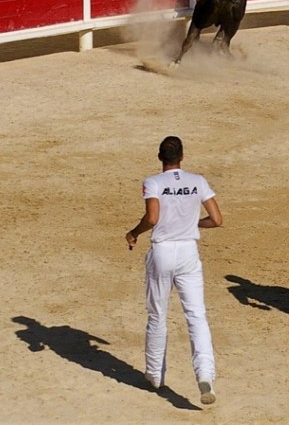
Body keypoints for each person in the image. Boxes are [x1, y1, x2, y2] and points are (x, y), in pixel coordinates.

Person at [125, 136, 223, 404]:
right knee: (196, 316)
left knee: (157, 313)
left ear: (160, 157)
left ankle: (155, 374)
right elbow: (217, 220)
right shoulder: (198, 181)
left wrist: (134, 233)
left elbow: (152, 218)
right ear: (182, 156)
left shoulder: (153, 183)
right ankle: (205, 373)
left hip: (163, 252)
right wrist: (192, 224)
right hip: (188, 252)